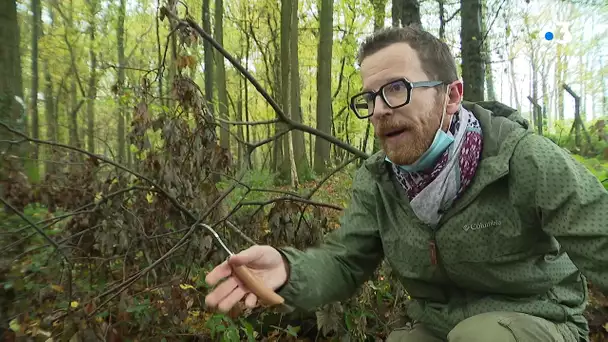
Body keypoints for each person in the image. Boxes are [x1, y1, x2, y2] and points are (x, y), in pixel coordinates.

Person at [204, 26, 608, 342]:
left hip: (543, 322)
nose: (379, 110)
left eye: (396, 89)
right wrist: (289, 270)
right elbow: (345, 261)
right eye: (370, 98)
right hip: (439, 327)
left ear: (451, 97)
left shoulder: (523, 159)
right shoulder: (378, 179)